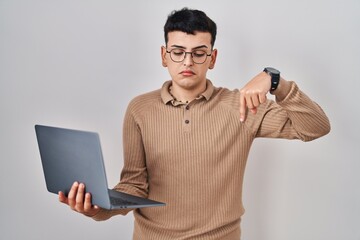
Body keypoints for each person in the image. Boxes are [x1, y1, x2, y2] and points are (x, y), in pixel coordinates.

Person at [58, 7, 330, 240]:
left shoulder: (242, 105)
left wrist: (275, 81)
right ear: (164, 55)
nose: (187, 61)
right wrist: (98, 210)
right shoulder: (139, 108)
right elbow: (134, 185)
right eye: (178, 52)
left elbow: (315, 127)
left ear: (212, 58)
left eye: (199, 53)